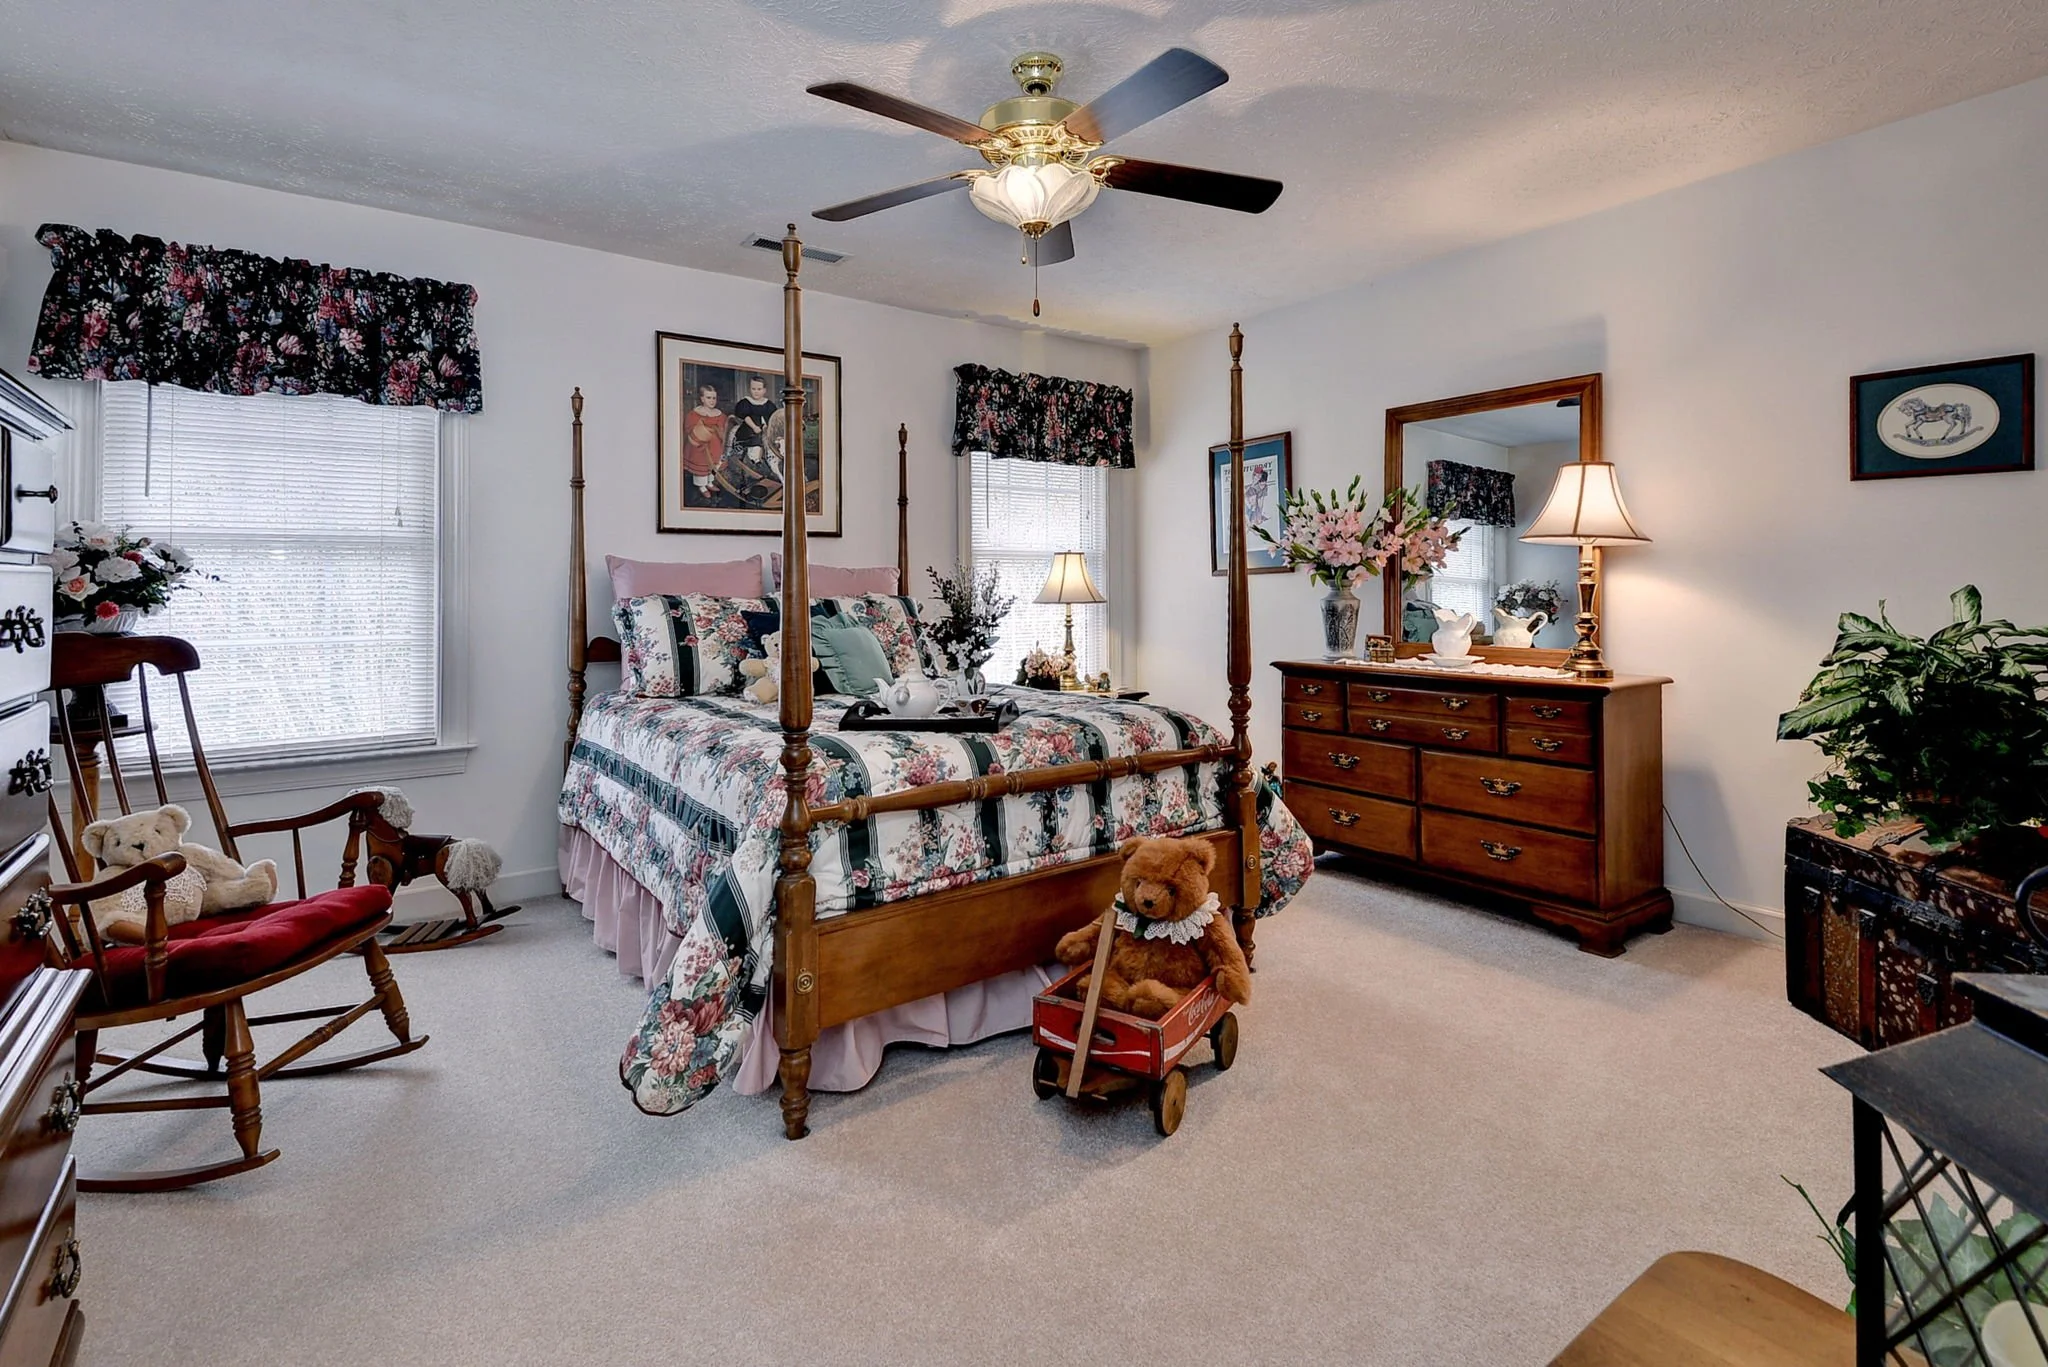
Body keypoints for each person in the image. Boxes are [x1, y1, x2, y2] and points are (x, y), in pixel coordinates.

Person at [683, 381, 727, 500]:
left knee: (713, 465)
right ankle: (702, 486)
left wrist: (720, 430)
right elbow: (689, 429)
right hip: (699, 446)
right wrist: (699, 432)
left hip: (715, 446)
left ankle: (710, 482)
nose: (712, 401)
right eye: (708, 398)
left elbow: (724, 428)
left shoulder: (720, 415)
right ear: (702, 398)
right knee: (702, 466)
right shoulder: (694, 414)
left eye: (714, 398)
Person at [731, 375, 778, 479]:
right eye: (753, 389)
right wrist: (754, 427)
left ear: (764, 390)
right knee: (755, 443)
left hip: (765, 429)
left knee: (772, 443)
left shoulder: (768, 404)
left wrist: (767, 426)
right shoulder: (746, 402)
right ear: (750, 389)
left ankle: (772, 466)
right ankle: (755, 461)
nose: (756, 392)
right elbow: (745, 416)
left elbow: (772, 418)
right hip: (750, 428)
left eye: (759, 389)